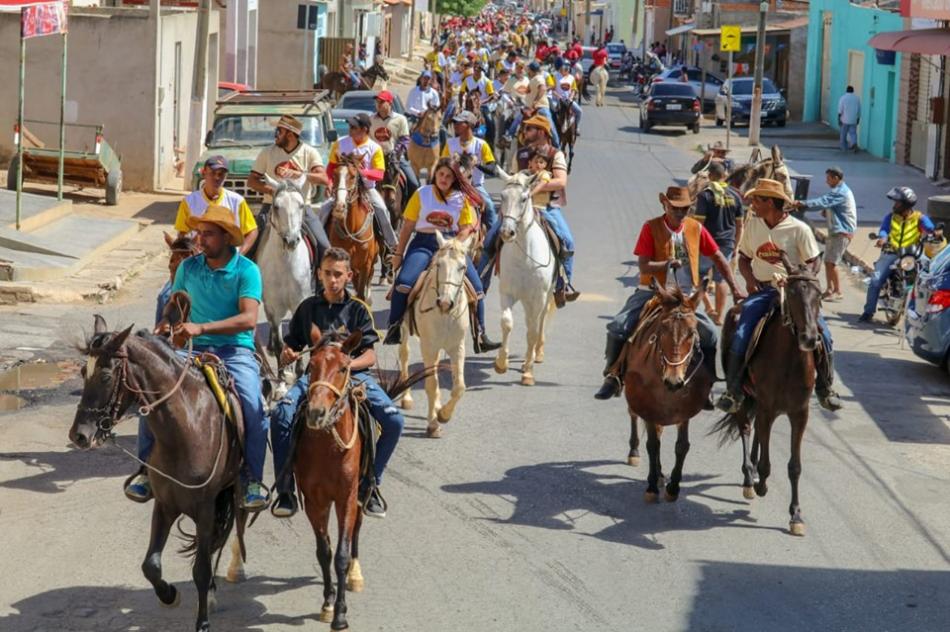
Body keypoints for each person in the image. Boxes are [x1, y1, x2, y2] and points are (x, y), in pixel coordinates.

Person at [127, 206, 270, 509]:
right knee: (151, 395)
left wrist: (201, 326)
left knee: (255, 407)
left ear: (226, 238)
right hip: (189, 348)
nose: (200, 239)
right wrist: (166, 321)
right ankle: (144, 470)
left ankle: (251, 478)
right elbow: (175, 302)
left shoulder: (247, 271)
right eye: (199, 233)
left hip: (234, 351)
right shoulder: (188, 268)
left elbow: (248, 319)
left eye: (208, 234)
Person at [269, 248, 403, 519]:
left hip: (353, 376)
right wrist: (287, 353)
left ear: (349, 276)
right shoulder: (307, 308)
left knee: (395, 421)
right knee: (280, 414)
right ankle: (285, 491)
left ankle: (371, 484)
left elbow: (370, 354)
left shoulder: (358, 310)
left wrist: (346, 366)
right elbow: (291, 346)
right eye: (327, 273)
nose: (332, 280)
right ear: (319, 274)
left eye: (338, 275)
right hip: (316, 377)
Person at [595, 186, 741, 400]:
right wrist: (666, 264)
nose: (680, 213)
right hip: (652, 293)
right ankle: (613, 376)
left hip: (685, 296)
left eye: (685, 209)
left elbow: (719, 257)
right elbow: (644, 266)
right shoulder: (650, 227)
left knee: (710, 333)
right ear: (665, 204)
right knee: (619, 325)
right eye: (675, 208)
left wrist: (736, 288)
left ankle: (707, 383)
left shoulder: (696, 228)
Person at [715, 179, 842, 413]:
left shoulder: (799, 229)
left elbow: (813, 262)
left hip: (794, 294)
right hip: (763, 291)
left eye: (757, 199)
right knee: (740, 330)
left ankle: (825, 388)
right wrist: (750, 281)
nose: (751, 203)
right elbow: (744, 258)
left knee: (824, 333)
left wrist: (796, 279)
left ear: (771, 202)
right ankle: (733, 391)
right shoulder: (754, 225)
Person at [383, 157, 500, 353]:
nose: (444, 178)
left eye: (448, 176)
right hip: (423, 243)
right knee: (403, 283)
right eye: (441, 174)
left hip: (451, 245)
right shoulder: (422, 194)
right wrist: (399, 253)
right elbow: (407, 227)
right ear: (435, 174)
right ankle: (394, 326)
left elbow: (465, 229)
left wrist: (454, 245)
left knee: (477, 290)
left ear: (455, 178)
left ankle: (480, 334)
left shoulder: (462, 199)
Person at [125, 234, 199, 503]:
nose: (175, 266)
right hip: (175, 354)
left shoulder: (207, 281)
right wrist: (164, 330)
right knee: (148, 403)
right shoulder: (166, 294)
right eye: (172, 261)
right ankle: (145, 466)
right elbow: (161, 336)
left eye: (182, 260)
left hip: (206, 349)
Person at [482, 116, 579, 305]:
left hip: (546, 207)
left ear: (541, 132)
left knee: (567, 240)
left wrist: (535, 186)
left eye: (529, 129)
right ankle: (479, 283)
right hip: (518, 206)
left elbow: (561, 181)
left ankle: (563, 285)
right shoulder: (521, 153)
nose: (524, 133)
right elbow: (513, 177)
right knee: (490, 239)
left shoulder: (555, 154)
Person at [247, 115, 331, 263]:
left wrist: (300, 174)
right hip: (271, 207)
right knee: (249, 245)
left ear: (291, 135)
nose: (276, 135)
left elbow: (324, 178)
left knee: (324, 247)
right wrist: (272, 191)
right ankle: (245, 280)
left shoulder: (309, 152)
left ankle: (320, 284)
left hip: (302, 207)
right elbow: (252, 181)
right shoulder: (267, 152)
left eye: (279, 131)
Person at [318, 113, 397, 252]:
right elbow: (331, 168)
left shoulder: (374, 148)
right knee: (324, 209)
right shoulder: (340, 143)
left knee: (382, 209)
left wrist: (363, 172)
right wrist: (329, 184)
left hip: (366, 189)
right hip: (342, 188)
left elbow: (379, 174)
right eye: (350, 126)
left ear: (365, 129)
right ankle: (319, 245)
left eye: (354, 127)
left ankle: (390, 247)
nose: (350, 129)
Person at [858, 186, 934, 323]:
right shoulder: (890, 217)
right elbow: (884, 231)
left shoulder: (919, 218)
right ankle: (868, 312)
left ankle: (927, 313)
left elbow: (930, 228)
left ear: (906, 204)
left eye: (897, 202)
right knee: (875, 281)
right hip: (891, 252)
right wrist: (882, 238)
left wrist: (935, 233)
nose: (895, 205)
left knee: (929, 275)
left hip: (912, 254)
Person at [794, 166, 856, 301]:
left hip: (842, 232)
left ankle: (838, 291)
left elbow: (822, 201)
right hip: (835, 231)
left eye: (828, 178)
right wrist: (827, 211)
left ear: (836, 178)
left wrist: (801, 204)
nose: (826, 181)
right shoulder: (837, 191)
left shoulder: (840, 192)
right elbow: (827, 206)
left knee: (833, 263)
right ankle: (829, 289)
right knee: (828, 262)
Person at [694, 161, 744, 325]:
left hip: (707, 244)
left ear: (709, 176)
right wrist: (736, 245)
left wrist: (694, 245)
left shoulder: (704, 195)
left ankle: (708, 307)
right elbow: (740, 225)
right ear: (725, 176)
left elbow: (699, 224)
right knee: (721, 279)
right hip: (727, 243)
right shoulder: (736, 195)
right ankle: (720, 316)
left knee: (699, 276)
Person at [176, 155, 258, 255]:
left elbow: (252, 231)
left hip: (228, 260)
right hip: (199, 260)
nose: (217, 177)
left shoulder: (237, 201)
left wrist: (239, 255)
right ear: (203, 173)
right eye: (212, 173)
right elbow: (182, 233)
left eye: (221, 174)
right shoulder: (189, 202)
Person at [441, 111, 498, 235]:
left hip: (475, 186)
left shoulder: (481, 145)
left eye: (458, 123)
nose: (454, 125)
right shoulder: (450, 143)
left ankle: (494, 239)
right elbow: (442, 164)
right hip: (453, 185)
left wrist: (477, 164)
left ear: (468, 125)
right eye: (454, 122)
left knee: (490, 207)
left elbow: (492, 167)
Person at [371, 89, 419, 201]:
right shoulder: (371, 119)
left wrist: (396, 152)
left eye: (382, 102)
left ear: (390, 103)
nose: (378, 104)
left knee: (414, 184)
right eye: (377, 102)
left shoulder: (400, 119)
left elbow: (404, 139)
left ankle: (408, 211)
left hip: (396, 158)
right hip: (376, 158)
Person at [505, 61, 559, 148]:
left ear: (532, 70)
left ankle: (557, 147)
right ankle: (509, 137)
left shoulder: (538, 78)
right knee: (517, 119)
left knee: (550, 126)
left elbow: (542, 88)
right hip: (529, 107)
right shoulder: (532, 79)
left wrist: (535, 101)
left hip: (541, 108)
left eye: (529, 70)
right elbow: (527, 91)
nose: (527, 72)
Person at [460, 63, 496, 147]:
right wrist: (461, 105)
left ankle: (490, 142)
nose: (477, 72)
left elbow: (491, 95)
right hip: (468, 105)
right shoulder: (467, 80)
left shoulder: (486, 81)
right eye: (476, 70)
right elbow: (461, 93)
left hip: (483, 105)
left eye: (479, 70)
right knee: (458, 119)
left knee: (490, 121)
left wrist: (482, 102)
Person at [553, 61, 582, 135]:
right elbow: (552, 89)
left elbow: (574, 89)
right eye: (564, 69)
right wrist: (558, 96)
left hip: (567, 99)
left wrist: (571, 97)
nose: (566, 71)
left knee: (579, 111)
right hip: (557, 99)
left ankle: (576, 127)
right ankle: (551, 127)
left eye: (567, 70)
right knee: (552, 111)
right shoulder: (555, 76)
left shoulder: (571, 78)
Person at [837, 86, 861, 152]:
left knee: (843, 134)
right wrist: (858, 118)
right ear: (853, 91)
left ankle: (844, 148)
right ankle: (854, 143)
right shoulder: (857, 98)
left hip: (844, 119)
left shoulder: (843, 98)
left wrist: (839, 118)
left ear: (846, 90)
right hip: (853, 119)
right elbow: (859, 109)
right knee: (853, 133)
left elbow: (840, 109)